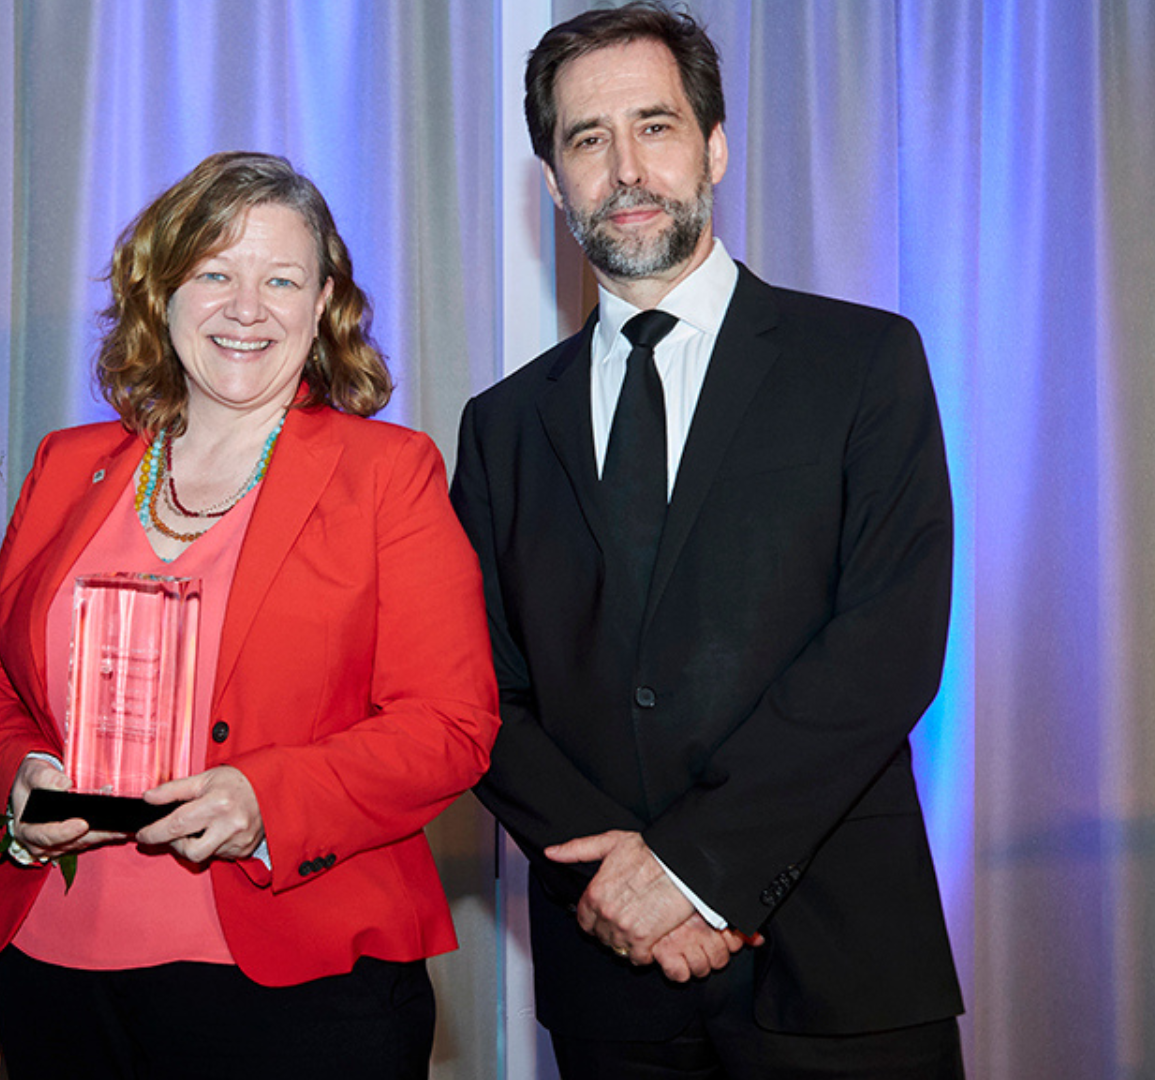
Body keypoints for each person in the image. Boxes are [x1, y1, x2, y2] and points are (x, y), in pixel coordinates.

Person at [451, 4, 965, 1077]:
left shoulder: (863, 361)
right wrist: (623, 889)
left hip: (842, 967)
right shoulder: (501, 426)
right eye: (588, 139)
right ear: (553, 178)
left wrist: (687, 869)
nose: (626, 167)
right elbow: (473, 692)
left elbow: (889, 646)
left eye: (657, 124)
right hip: (610, 981)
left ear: (716, 146)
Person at [0, 151, 499, 1079]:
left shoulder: (387, 475)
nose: (247, 308)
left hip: (296, 985)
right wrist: (18, 776)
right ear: (161, 292)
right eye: (214, 273)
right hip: (54, 964)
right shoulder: (64, 464)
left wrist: (264, 802)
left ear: (323, 302)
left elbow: (450, 727)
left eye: (280, 278)